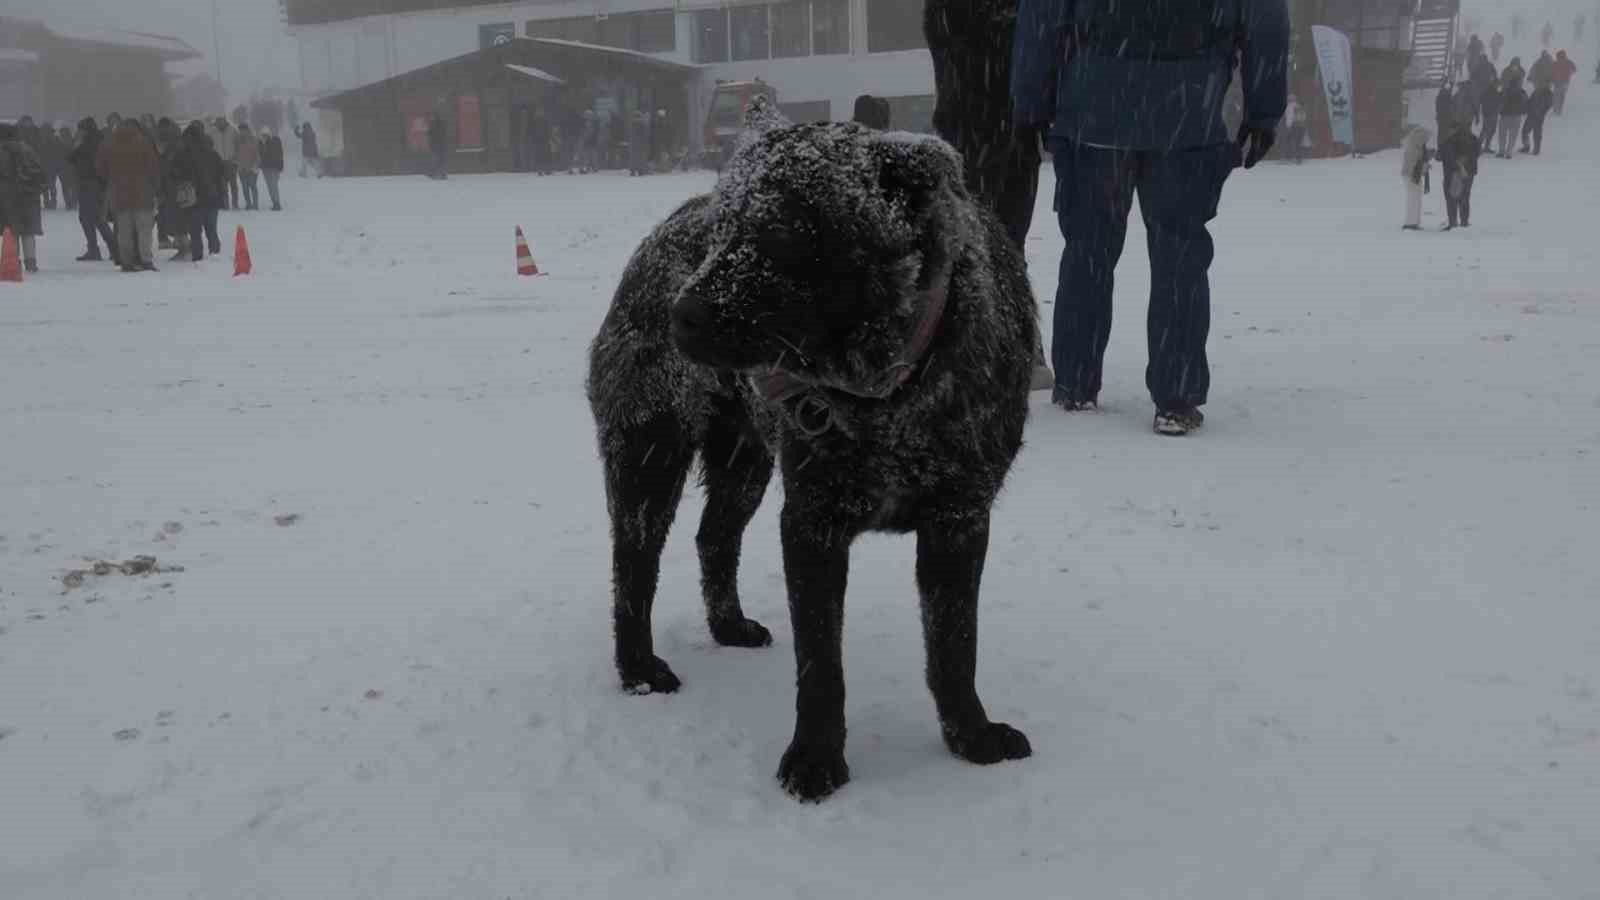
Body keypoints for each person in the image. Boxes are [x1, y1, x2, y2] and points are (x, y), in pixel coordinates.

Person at [1012, 0, 1289, 436]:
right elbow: (1265, 19)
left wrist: (1031, 105)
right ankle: (1175, 397)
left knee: (1088, 251)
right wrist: (1263, 112)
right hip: (1187, 116)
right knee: (1179, 257)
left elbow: (1042, 16)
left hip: (1094, 111)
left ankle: (1075, 383)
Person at [924, 0, 1055, 391]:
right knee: (997, 244)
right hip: (1002, 130)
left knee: (982, 244)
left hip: (982, 130)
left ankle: (986, 346)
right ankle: (1010, 345)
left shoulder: (949, 11)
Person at [95, 119, 160, 272]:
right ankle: (146, 260)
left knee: (124, 231)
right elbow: (153, 168)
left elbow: (100, 168)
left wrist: (111, 178)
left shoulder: (109, 144)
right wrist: (156, 188)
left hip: (119, 194)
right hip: (143, 193)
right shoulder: (143, 143)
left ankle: (127, 261)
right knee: (144, 230)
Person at [172, 121, 224, 262]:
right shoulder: (212, 154)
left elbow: (176, 173)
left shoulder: (184, 155)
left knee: (195, 230)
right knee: (211, 228)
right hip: (212, 197)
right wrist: (221, 196)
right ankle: (214, 251)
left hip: (193, 198)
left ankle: (197, 255)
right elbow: (221, 175)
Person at [0, 122, 48, 273]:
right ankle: (31, 262)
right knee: (28, 231)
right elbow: (40, 171)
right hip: (29, 196)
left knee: (12, 230)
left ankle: (14, 261)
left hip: (8, 196)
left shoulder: (1, 151)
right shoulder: (27, 149)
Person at [1437, 121, 1478, 230]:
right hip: (1469, 173)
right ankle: (1464, 221)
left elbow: (1441, 156)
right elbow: (1478, 152)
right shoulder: (1473, 139)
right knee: (1465, 196)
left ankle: (1453, 221)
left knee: (1451, 197)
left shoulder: (1449, 141)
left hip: (1452, 174)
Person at [1401, 126, 1430, 231]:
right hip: (1411, 176)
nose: (1425, 142)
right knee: (1413, 199)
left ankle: (1415, 221)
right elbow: (1412, 165)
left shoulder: (1416, 147)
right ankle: (1410, 222)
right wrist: (1424, 167)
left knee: (1416, 198)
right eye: (1424, 139)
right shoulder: (1413, 149)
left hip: (1414, 176)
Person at [214, 118, 240, 210]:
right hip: (219, 163)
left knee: (233, 185)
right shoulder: (214, 132)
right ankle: (225, 205)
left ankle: (235, 204)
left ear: (224, 122)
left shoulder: (233, 131)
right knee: (222, 186)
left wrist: (236, 158)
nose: (218, 125)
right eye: (217, 124)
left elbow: (238, 145)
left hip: (231, 162)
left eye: (220, 123)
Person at [1498, 81, 1527, 158]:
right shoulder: (1522, 92)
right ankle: (1509, 152)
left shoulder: (1504, 91)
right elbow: (1526, 102)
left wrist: (1499, 110)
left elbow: (1499, 100)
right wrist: (1524, 111)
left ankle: (1501, 151)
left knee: (1502, 135)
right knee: (1513, 136)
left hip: (1505, 115)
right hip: (1516, 116)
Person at [235, 123, 261, 210]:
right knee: (245, 188)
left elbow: (257, 154)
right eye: (240, 130)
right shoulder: (237, 140)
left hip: (252, 168)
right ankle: (248, 204)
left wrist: (254, 166)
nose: (242, 132)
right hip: (241, 168)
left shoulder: (253, 139)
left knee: (252, 186)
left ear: (247, 130)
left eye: (243, 130)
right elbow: (236, 153)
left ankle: (255, 204)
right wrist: (237, 164)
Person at [1522, 83, 1553, 154]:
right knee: (1527, 131)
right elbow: (1530, 101)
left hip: (1538, 116)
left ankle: (1534, 148)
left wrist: (1542, 112)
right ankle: (1528, 147)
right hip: (1533, 114)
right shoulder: (1537, 91)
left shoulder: (1548, 93)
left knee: (1535, 132)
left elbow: (1548, 105)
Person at [260, 127, 285, 210]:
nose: (264, 137)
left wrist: (281, 164)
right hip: (266, 168)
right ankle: (275, 202)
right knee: (270, 186)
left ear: (269, 134)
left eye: (265, 135)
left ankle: (277, 203)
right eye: (263, 135)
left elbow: (280, 153)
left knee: (273, 186)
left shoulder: (275, 141)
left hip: (274, 167)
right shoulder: (261, 143)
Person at [1477, 79, 1502, 153]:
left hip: (1493, 113)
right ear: (1494, 84)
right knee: (1486, 130)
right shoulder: (1489, 91)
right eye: (1498, 84)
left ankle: (1486, 146)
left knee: (1491, 131)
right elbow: (1482, 100)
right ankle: (1478, 146)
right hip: (1489, 113)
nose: (1499, 86)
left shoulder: (1496, 91)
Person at [56, 125, 78, 210]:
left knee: (68, 187)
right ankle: (71, 203)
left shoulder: (59, 143)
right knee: (70, 187)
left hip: (67, 168)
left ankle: (70, 203)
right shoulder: (72, 142)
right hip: (67, 168)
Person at [1552, 50, 1577, 115]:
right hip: (1565, 82)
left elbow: (1551, 71)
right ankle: (1559, 110)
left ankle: (1555, 109)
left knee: (1556, 96)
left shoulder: (1555, 63)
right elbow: (1574, 69)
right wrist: (1570, 73)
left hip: (1557, 82)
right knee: (1561, 96)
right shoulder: (1568, 62)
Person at [426, 110, 450, 179]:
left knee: (436, 160)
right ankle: (442, 174)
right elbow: (444, 133)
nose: (431, 117)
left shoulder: (434, 124)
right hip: (441, 144)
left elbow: (431, 134)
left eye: (432, 116)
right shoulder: (442, 123)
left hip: (436, 144)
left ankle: (435, 174)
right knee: (441, 160)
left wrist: (429, 133)